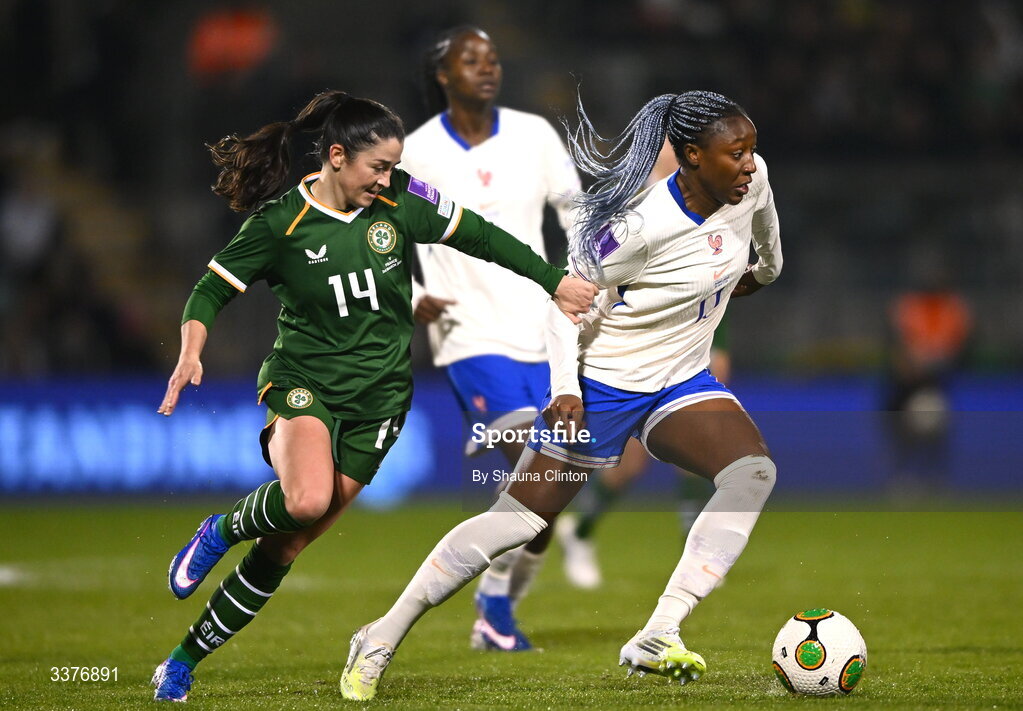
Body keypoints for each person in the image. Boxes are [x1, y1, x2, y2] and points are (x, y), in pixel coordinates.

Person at [148, 89, 597, 703]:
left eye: (393, 166)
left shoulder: (399, 199)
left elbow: (481, 237)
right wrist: (191, 349)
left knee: (288, 545)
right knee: (305, 502)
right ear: (336, 156)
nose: (388, 178)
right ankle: (221, 530)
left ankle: (182, 657)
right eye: (377, 167)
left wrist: (553, 281)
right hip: (305, 383)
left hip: (381, 401)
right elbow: (210, 291)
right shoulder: (281, 223)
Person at [339, 88, 782, 701]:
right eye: (735, 153)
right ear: (690, 156)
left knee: (751, 473)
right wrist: (566, 387)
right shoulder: (637, 227)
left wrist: (752, 276)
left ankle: (659, 630)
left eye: (752, 150)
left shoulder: (751, 184)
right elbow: (565, 305)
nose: (750, 164)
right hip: (603, 383)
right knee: (516, 522)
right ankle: (380, 635)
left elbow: (768, 263)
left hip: (680, 380)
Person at [399, 26, 579, 651]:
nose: (487, 67)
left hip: (545, 330)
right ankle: (483, 607)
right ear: (443, 74)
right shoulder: (415, 152)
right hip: (469, 334)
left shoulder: (534, 134)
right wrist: (409, 294)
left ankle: (495, 601)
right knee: (539, 475)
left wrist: (590, 278)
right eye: (470, 59)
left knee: (550, 494)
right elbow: (375, 229)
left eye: (494, 58)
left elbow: (576, 212)